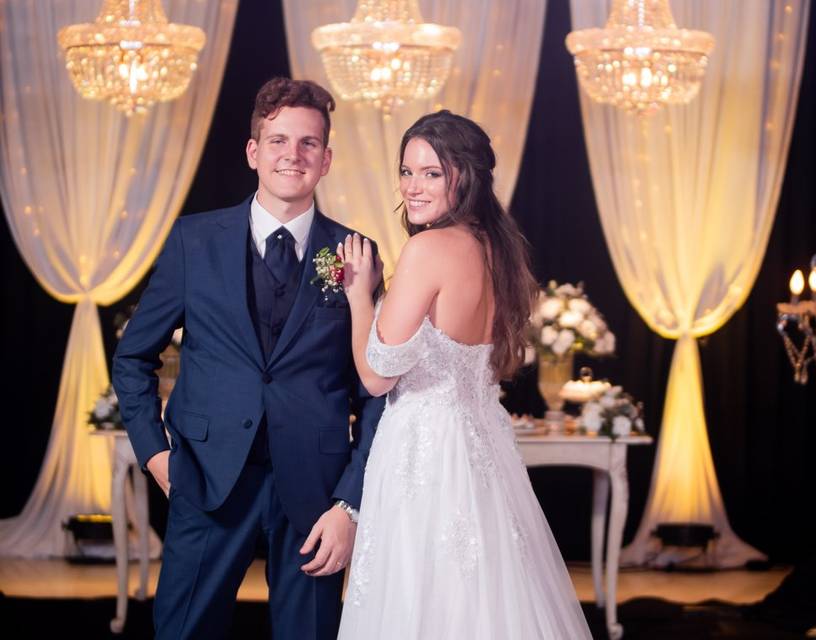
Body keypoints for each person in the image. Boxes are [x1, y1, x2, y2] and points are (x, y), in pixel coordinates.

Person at [112, 77, 385, 640]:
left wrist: (351, 504)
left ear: (327, 159)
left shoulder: (354, 253)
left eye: (308, 143)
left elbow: (376, 390)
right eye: (279, 140)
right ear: (253, 152)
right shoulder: (194, 241)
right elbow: (133, 356)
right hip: (208, 479)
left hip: (316, 491)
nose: (293, 155)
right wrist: (156, 455)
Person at [335, 110, 592, 639]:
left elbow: (377, 376)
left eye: (431, 172)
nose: (413, 186)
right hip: (479, 446)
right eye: (407, 172)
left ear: (465, 175)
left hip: (424, 452)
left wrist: (360, 295)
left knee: (423, 599)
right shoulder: (497, 249)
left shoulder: (429, 248)